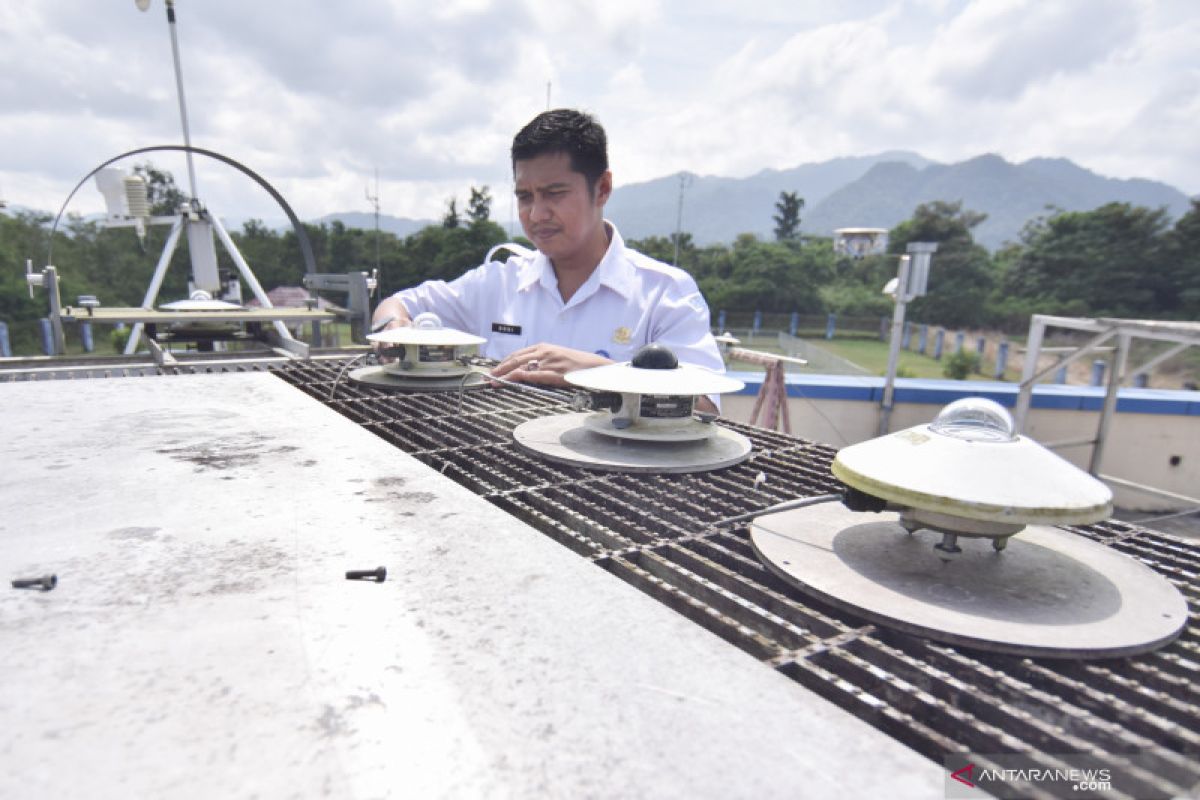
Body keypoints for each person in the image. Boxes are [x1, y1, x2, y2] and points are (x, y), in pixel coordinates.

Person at [370, 108, 724, 409]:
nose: (537, 214)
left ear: (601, 189)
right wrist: (392, 330)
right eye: (524, 197)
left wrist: (597, 376)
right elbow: (397, 304)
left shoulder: (663, 292)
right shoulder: (497, 283)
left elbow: (707, 403)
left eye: (555, 193)